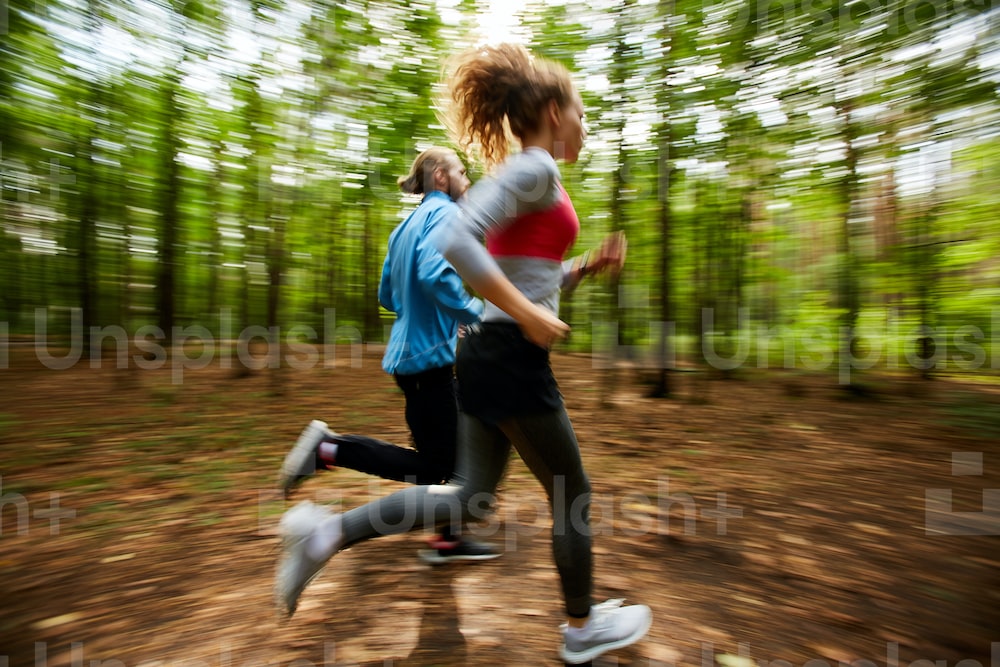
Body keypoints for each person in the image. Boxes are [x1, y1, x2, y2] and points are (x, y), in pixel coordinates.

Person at [275, 44, 652, 665]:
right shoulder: (536, 170)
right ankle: (583, 630)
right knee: (571, 494)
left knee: (468, 495)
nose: (587, 125)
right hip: (504, 352)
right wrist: (530, 315)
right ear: (554, 112)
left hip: (478, 348)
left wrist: (580, 269)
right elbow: (455, 238)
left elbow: (520, 272)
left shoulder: (525, 176)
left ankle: (324, 535)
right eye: (582, 112)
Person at [276, 146, 500, 564]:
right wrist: (473, 315)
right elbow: (434, 275)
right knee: (437, 469)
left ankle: (447, 541)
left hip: (410, 358)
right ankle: (330, 450)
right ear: (440, 177)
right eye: (461, 172)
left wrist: (429, 313)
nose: (467, 180)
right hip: (429, 362)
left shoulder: (403, 228)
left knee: (448, 459)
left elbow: (387, 295)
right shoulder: (448, 215)